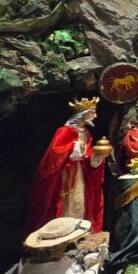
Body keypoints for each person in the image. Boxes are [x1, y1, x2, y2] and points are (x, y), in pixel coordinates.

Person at [28, 97, 107, 234]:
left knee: (79, 203)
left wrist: (96, 158)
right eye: (92, 113)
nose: (95, 116)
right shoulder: (65, 131)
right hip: (65, 176)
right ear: (83, 114)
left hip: (79, 174)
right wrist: (73, 147)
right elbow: (55, 152)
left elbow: (85, 154)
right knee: (65, 204)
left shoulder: (85, 132)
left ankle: (77, 233)